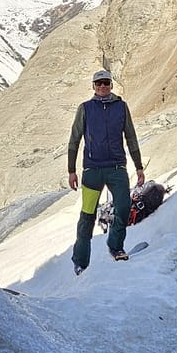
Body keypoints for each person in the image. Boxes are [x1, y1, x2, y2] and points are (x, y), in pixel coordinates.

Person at [66, 68, 145, 274]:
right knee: (88, 215)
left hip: (117, 168)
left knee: (124, 207)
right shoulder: (85, 108)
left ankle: (116, 247)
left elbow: (131, 138)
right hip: (92, 170)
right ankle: (81, 261)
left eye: (106, 83)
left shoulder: (121, 107)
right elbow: (74, 140)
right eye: (99, 83)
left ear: (111, 85)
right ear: (93, 86)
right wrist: (71, 170)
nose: (103, 86)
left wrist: (138, 167)